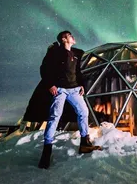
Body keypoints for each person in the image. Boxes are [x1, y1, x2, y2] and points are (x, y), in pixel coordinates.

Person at [37, 31, 101, 169]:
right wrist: (50, 85)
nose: (74, 37)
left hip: (74, 89)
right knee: (55, 117)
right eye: (71, 35)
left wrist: (82, 84)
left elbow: (77, 72)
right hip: (59, 89)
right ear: (64, 39)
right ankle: (47, 151)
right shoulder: (54, 52)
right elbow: (44, 69)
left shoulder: (76, 54)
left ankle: (85, 143)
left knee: (83, 112)